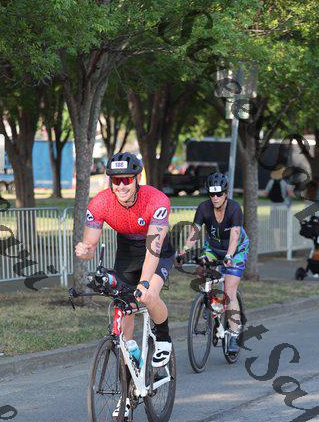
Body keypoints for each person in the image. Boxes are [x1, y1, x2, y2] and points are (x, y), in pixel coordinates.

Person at [75, 151, 174, 374]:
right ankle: (130, 365)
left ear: (137, 178)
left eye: (126, 180)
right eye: (116, 180)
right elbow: (90, 247)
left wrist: (144, 283)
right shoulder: (101, 202)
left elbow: (153, 249)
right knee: (123, 302)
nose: (121, 186)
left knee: (148, 295)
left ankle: (163, 337)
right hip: (127, 250)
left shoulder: (156, 200)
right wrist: (84, 251)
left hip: (156, 250)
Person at [180, 172, 249, 353]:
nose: (215, 197)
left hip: (236, 250)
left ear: (226, 193)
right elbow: (195, 232)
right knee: (201, 268)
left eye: (219, 194)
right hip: (213, 247)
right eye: (212, 194)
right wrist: (184, 251)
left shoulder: (234, 208)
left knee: (229, 291)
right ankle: (208, 301)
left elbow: (235, 236)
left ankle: (234, 335)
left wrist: (229, 256)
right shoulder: (204, 208)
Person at [263, 165, 295, 249]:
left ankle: (277, 246)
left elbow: (265, 194)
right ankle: (286, 246)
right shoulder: (285, 182)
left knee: (276, 228)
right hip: (283, 208)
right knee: (284, 227)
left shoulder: (271, 182)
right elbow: (291, 194)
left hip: (273, 208)